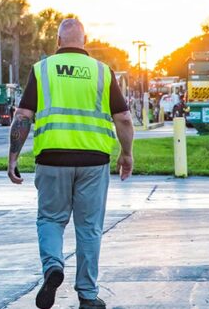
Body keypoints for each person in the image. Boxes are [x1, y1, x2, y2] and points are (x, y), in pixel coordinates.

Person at [7, 18, 134, 309]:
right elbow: (124, 119)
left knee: (51, 219)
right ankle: (87, 295)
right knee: (89, 228)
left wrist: (13, 157)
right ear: (85, 41)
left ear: (58, 41)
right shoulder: (102, 71)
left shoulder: (43, 69)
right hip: (94, 161)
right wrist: (126, 154)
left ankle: (53, 265)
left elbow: (23, 116)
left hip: (52, 160)